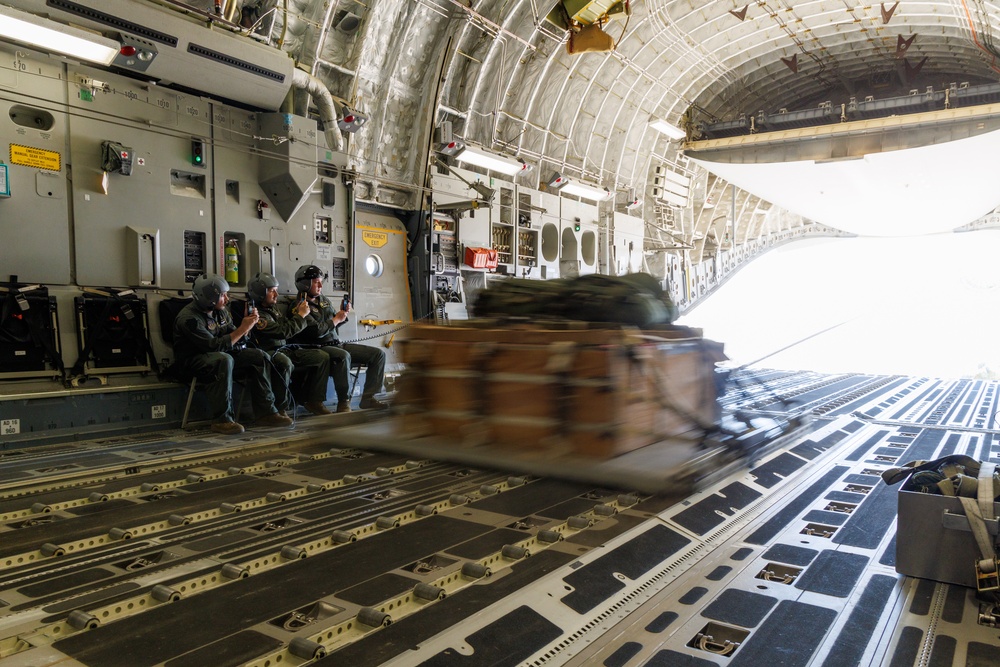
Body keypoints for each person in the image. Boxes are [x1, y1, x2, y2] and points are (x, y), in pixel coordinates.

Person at [172, 274, 294, 434]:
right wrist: (243, 328)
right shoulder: (189, 318)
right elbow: (214, 346)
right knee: (223, 359)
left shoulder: (220, 312)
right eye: (222, 295)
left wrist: (248, 326)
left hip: (221, 354)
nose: (227, 299)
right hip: (193, 360)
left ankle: (267, 412)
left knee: (260, 356)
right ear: (209, 297)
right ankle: (222, 420)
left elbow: (234, 336)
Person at [289, 265, 387, 411]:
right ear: (305, 283)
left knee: (378, 354)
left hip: (336, 343)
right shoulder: (299, 306)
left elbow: (333, 323)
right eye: (316, 282)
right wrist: (336, 319)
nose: (321, 286)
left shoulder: (323, 300)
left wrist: (342, 314)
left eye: (321, 282)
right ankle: (344, 401)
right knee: (343, 356)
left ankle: (369, 398)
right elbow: (315, 331)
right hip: (318, 347)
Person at [246, 272, 332, 416]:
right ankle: (281, 408)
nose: (276, 294)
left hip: (285, 349)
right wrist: (300, 316)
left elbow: (286, 325)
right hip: (269, 351)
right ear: (261, 293)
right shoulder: (258, 316)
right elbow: (282, 331)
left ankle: (314, 401)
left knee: (321, 357)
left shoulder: (274, 309)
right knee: (284, 362)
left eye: (276, 290)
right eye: (271, 291)